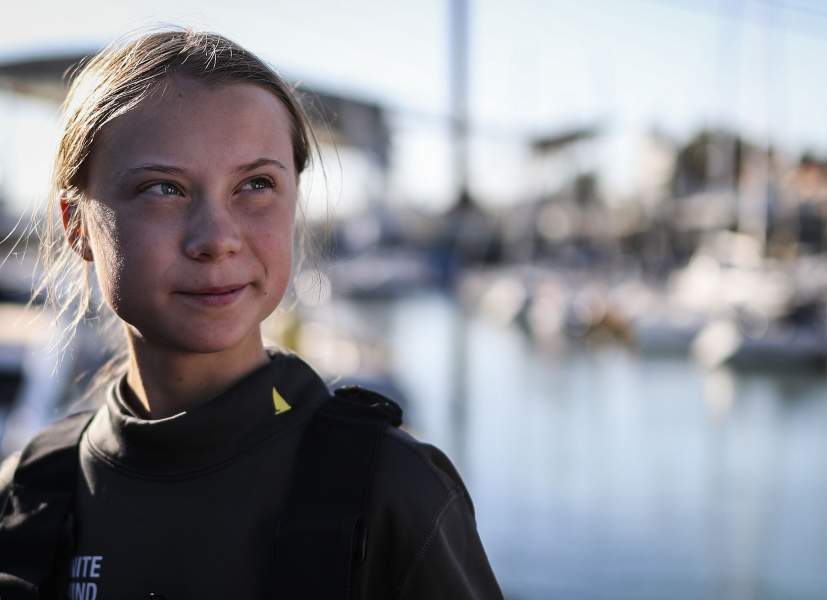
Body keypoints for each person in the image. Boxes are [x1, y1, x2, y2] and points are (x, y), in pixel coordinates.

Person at [0, 28, 503, 599]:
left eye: (256, 184)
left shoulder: (391, 493)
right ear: (76, 224)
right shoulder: (31, 492)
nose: (217, 239)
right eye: (163, 189)